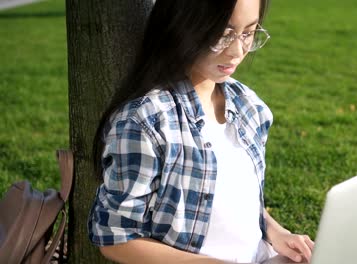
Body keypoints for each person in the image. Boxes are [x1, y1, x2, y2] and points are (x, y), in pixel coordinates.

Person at [88, 0, 314, 263]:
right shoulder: (147, 121)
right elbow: (115, 238)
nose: (237, 51)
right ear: (183, 26)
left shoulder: (249, 106)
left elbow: (233, 199)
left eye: (248, 33)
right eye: (223, 35)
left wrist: (278, 233)